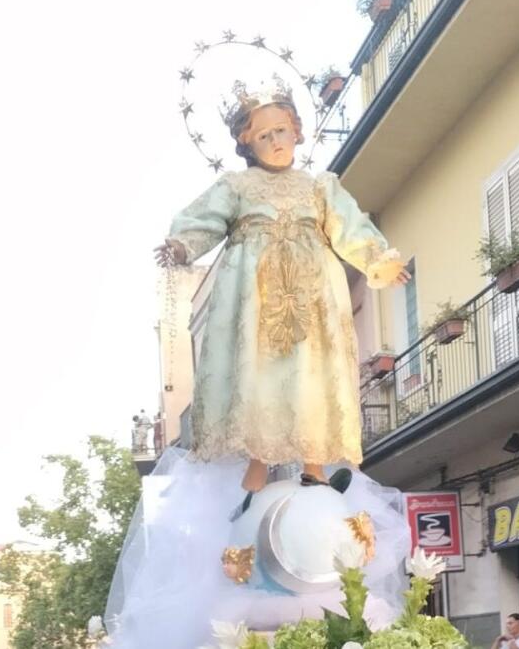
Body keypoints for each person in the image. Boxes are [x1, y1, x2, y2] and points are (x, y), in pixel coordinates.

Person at [153, 78, 410, 493]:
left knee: (310, 373)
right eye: (263, 135)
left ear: (297, 131)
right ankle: (257, 465)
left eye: (281, 130)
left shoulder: (319, 187)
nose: (275, 141)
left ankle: (315, 465)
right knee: (260, 375)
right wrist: (182, 245)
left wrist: (378, 261)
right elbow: (204, 219)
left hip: (312, 297)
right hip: (256, 297)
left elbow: (350, 227)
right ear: (247, 142)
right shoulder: (237, 187)